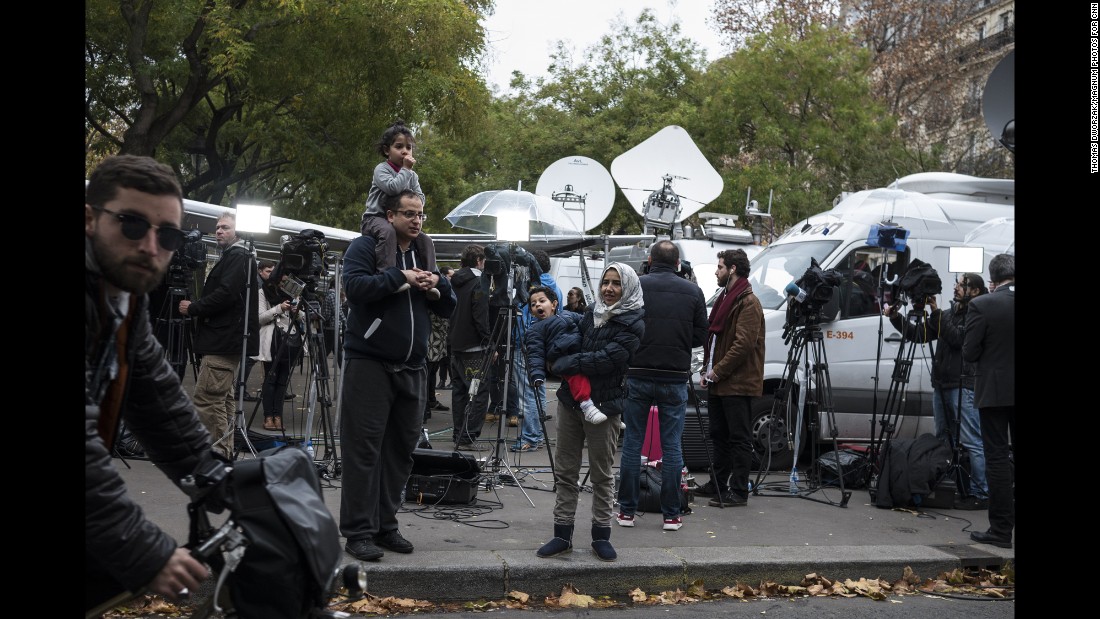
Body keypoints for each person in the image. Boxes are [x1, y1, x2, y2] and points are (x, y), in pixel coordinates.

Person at [85, 154, 222, 611]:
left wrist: (217, 477)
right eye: (131, 224)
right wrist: (148, 552)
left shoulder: (124, 293)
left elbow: (157, 396)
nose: (150, 246)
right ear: (89, 218)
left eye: (167, 235)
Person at [340, 189, 456, 562]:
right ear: (390, 216)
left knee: (401, 453)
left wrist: (436, 287)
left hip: (413, 368)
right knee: (364, 451)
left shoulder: (425, 250)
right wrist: (399, 277)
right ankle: (358, 532)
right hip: (370, 364)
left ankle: (385, 526)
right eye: (408, 213)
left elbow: (449, 306)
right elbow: (356, 289)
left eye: (420, 214)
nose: (416, 220)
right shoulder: (364, 246)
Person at [536, 263, 644, 562]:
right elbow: (574, 347)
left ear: (628, 288)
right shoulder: (590, 312)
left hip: (605, 407)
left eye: (616, 284)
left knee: (601, 475)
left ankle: (601, 536)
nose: (608, 288)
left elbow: (607, 360)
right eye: (605, 282)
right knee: (566, 471)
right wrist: (567, 358)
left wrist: (570, 363)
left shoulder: (633, 322)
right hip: (570, 402)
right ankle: (562, 535)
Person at [616, 240, 708, 531]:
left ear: (650, 260)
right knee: (671, 447)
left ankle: (627, 511)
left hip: (639, 372)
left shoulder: (636, 285)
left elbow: (622, 322)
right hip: (675, 376)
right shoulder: (693, 291)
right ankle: (671, 514)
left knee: (632, 443)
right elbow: (699, 336)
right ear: (678, 263)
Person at [883, 272, 990, 510]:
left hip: (963, 385)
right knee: (944, 437)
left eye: (962, 285)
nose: (956, 288)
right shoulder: (948, 314)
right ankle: (946, 484)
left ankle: (980, 493)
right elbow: (918, 335)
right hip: (942, 383)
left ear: (975, 291)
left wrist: (935, 313)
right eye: (956, 283)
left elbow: (958, 339)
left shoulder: (975, 316)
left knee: (972, 440)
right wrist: (896, 318)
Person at [179, 210, 259, 460]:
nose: (219, 231)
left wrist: (194, 308)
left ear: (237, 230)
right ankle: (222, 452)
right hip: (225, 339)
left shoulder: (239, 256)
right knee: (222, 398)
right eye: (217, 228)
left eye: (225, 227)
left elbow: (226, 293)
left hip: (224, 340)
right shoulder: (236, 256)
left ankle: (217, 455)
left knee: (207, 397)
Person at [700, 249, 765, 507]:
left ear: (733, 269)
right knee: (719, 435)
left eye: (720, 267)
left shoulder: (748, 302)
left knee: (739, 438)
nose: (717, 271)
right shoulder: (727, 297)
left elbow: (743, 345)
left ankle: (738, 492)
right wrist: (707, 368)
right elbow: (716, 339)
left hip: (737, 382)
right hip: (721, 381)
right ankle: (717, 483)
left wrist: (717, 370)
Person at [962, 253, 1014, 549]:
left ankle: (1001, 530)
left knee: (996, 459)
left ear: (993, 279)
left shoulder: (982, 305)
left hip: (994, 392)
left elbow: (969, 353)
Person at [359, 119, 440, 300]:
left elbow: (421, 199)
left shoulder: (412, 175)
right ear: (387, 150)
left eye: (409, 147)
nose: (405, 151)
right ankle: (389, 277)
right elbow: (393, 189)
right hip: (376, 218)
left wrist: (408, 177)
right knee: (388, 233)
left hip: (399, 219)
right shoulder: (382, 169)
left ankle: (428, 278)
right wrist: (405, 170)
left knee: (425, 239)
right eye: (399, 146)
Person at [523, 286, 604, 449]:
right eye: (533, 304)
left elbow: (585, 321)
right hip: (563, 357)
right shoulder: (535, 329)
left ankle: (606, 414)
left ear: (553, 304)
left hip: (581, 350)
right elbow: (535, 353)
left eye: (541, 301)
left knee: (596, 378)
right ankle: (586, 404)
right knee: (576, 378)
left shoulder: (567, 315)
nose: (537, 305)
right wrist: (537, 374)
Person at [510, 249, 564, 452]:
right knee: (537, 389)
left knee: (527, 393)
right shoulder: (554, 288)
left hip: (526, 344)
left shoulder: (530, 289)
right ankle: (535, 434)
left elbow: (524, 318)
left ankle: (530, 437)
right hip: (544, 345)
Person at [448, 244, 492, 447]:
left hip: (455, 343)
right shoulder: (479, 283)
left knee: (459, 392)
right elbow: (480, 316)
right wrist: (489, 342)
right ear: (479, 261)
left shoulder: (454, 281)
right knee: (479, 392)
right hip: (475, 346)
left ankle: (458, 433)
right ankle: (468, 435)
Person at [253, 264, 304, 431]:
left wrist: (297, 311)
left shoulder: (293, 294)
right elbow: (260, 318)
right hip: (272, 342)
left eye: (286, 281)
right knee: (270, 378)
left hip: (290, 341)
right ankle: (268, 416)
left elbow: (303, 317)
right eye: (281, 280)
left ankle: (278, 416)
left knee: (283, 381)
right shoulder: (263, 292)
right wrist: (278, 308)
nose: (284, 284)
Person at [238, 259, 274, 401]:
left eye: (272, 271)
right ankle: (240, 390)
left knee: (254, 358)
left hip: (256, 325)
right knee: (250, 358)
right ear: (260, 271)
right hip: (254, 325)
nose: (271, 275)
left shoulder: (262, 283)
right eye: (268, 271)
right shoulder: (259, 286)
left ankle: (266, 388)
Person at [424, 310, 451, 421]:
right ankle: (426, 407)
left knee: (432, 373)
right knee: (428, 373)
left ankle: (430, 401)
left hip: (437, 341)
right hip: (432, 340)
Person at [432, 266, 455, 389]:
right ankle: (442, 380)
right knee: (442, 358)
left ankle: (451, 381)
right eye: (450, 276)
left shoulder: (452, 289)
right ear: (444, 275)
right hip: (442, 328)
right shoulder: (440, 289)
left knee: (449, 356)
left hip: (450, 328)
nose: (452, 279)